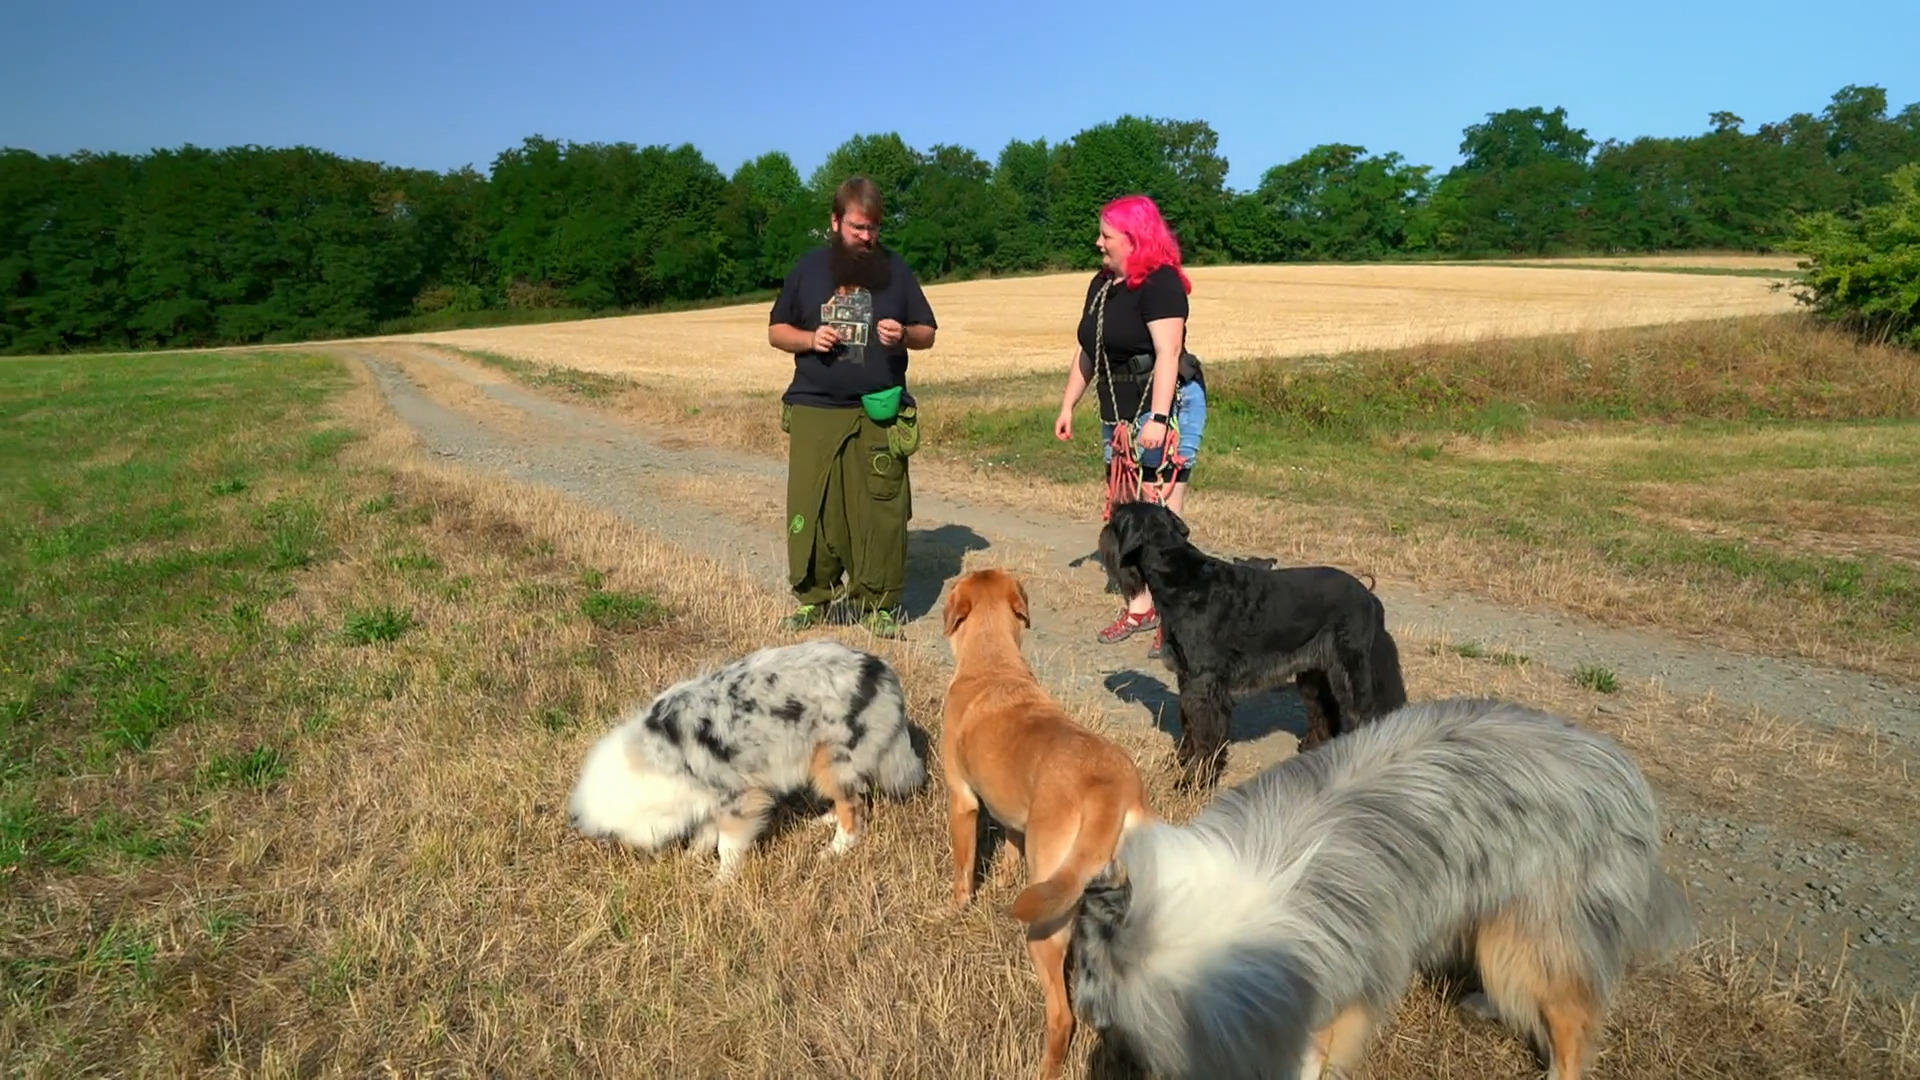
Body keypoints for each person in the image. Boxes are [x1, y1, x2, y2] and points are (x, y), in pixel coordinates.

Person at [768, 176, 938, 638]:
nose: (867, 237)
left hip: (878, 409)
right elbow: (776, 331)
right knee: (813, 504)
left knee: (881, 509)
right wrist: (809, 338)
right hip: (814, 406)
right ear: (835, 221)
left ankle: (878, 605)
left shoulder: (895, 270)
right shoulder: (807, 270)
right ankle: (813, 598)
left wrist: (902, 334)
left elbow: (927, 332)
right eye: (858, 227)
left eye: (874, 228)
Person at [1053, 193, 1207, 657]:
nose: (1098, 242)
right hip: (1116, 414)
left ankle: (1174, 616)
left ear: (1135, 240)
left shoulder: (1161, 285)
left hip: (1163, 407)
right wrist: (1068, 405)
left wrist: (1159, 419)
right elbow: (1088, 350)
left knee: (1158, 517)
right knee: (1125, 516)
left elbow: (1168, 354)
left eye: (1107, 235)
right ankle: (1140, 607)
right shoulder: (1101, 285)